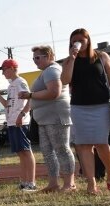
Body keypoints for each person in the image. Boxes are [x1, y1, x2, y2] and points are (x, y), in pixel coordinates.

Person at [61, 28, 110, 194]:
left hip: (100, 107)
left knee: (102, 143)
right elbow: (64, 80)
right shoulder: (68, 61)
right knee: (83, 145)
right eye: (73, 40)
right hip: (78, 108)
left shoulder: (101, 57)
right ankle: (91, 183)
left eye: (81, 39)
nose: (77, 43)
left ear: (88, 40)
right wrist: (72, 58)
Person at [24, 45, 75, 193]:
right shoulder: (47, 71)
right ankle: (53, 183)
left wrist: (30, 95)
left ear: (49, 56)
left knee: (61, 149)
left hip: (55, 117)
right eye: (34, 58)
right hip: (45, 119)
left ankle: (69, 184)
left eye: (38, 58)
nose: (35, 61)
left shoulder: (52, 70)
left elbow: (54, 92)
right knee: (47, 151)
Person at [0, 59, 37, 192]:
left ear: (12, 68)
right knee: (20, 152)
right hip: (12, 121)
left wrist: (21, 115)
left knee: (26, 151)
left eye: (4, 70)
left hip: (20, 122)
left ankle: (31, 182)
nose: (3, 73)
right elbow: (7, 105)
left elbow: (30, 99)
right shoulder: (11, 85)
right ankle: (24, 181)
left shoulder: (20, 82)